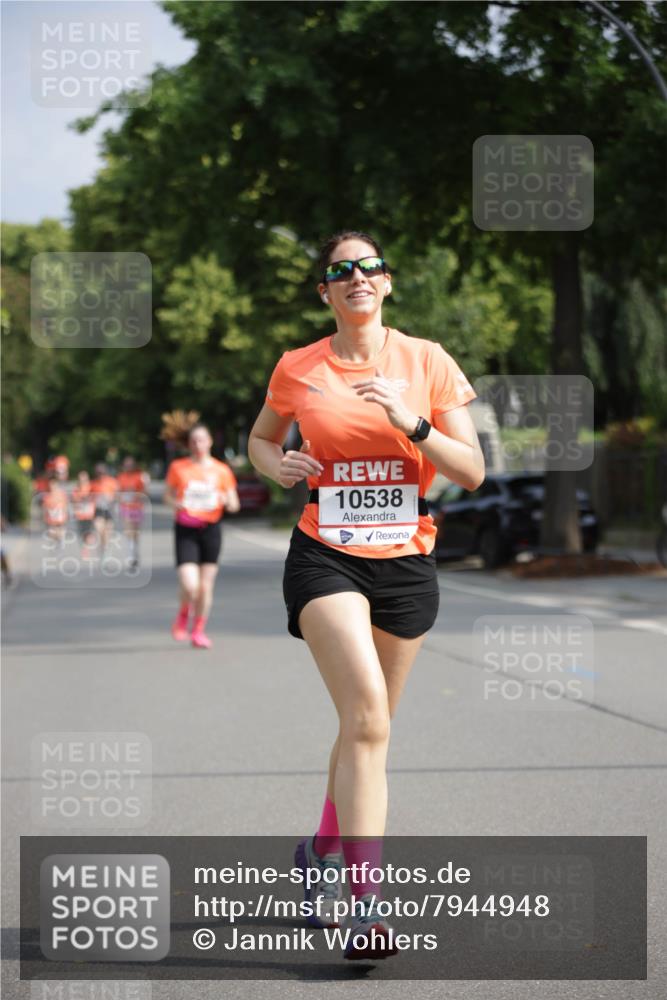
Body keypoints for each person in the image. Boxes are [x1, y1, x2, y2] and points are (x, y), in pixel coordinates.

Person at [248, 230, 484, 961]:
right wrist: (277, 463)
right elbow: (259, 439)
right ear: (325, 290)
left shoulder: (426, 361)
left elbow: (470, 469)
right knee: (367, 718)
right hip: (326, 556)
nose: (356, 277)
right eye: (340, 270)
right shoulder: (299, 366)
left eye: (369, 267)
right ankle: (365, 906)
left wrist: (409, 422)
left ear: (386, 283)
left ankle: (319, 850)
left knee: (367, 731)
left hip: (407, 561)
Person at [163, 419, 240, 649]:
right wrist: (176, 503)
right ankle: (184, 613)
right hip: (186, 529)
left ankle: (198, 630)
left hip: (211, 530)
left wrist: (226, 500)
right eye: (194, 441)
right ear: (189, 444)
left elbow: (235, 504)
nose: (198, 444)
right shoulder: (179, 467)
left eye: (202, 440)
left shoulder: (221, 470)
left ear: (210, 442)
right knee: (190, 585)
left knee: (205, 587)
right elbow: (167, 496)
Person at [117, 456, 150, 569]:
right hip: (125, 507)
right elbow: (118, 492)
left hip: (137, 507)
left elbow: (145, 492)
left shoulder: (139, 476)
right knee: (128, 530)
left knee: (135, 532)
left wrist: (137, 494)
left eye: (130, 465)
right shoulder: (121, 477)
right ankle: (131, 555)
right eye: (126, 465)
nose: (128, 467)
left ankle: (135, 550)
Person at [90, 463, 119, 555]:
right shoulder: (93, 483)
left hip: (109, 510)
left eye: (102, 473)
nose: (100, 475)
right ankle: (101, 550)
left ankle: (105, 551)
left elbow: (118, 495)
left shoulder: (112, 482)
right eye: (98, 473)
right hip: (98, 510)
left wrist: (111, 498)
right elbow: (89, 495)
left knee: (107, 534)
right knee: (99, 529)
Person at [70, 470, 97, 559]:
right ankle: (85, 548)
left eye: (84, 479)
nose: (82, 481)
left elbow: (95, 497)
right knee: (82, 534)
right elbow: (73, 500)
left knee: (89, 533)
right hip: (80, 515)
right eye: (80, 479)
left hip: (89, 514)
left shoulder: (91, 487)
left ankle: (86, 549)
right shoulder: (76, 489)